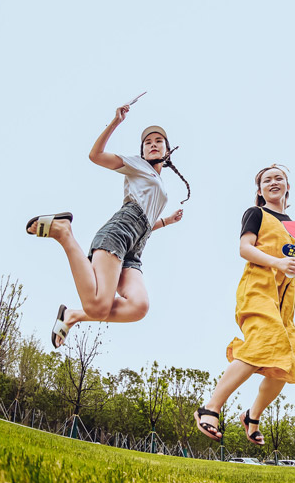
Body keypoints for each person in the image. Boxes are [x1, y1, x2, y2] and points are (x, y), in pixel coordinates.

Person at [195, 165, 295, 444]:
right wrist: (277, 262)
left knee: (286, 362)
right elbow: (245, 248)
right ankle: (210, 407)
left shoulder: (294, 228)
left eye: (279, 178)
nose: (273, 182)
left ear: (288, 186)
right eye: (266, 180)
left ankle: (252, 416)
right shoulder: (256, 214)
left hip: (284, 301)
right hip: (258, 290)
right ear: (259, 191)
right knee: (262, 343)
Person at [26, 104, 190, 348]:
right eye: (147, 142)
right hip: (120, 232)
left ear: (167, 150)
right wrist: (115, 122)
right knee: (98, 306)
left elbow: (143, 225)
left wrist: (165, 222)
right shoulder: (138, 165)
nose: (153, 144)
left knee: (138, 307)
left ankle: (73, 315)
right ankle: (63, 233)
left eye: (158, 141)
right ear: (142, 152)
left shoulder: (160, 182)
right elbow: (95, 156)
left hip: (134, 248)